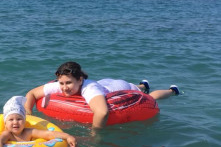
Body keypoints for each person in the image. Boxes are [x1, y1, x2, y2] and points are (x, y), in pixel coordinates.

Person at [25, 61, 181, 131]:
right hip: (104, 84)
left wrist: (96, 134)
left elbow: (102, 112)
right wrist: (29, 115)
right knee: (138, 87)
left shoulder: (90, 89)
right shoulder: (61, 85)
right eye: (62, 83)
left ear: (80, 80)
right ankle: (143, 84)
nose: (64, 87)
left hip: (119, 88)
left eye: (69, 83)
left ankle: (171, 90)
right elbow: (31, 93)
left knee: (150, 97)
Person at [0, 96, 78, 147]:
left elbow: (49, 134)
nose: (15, 122)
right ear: (5, 123)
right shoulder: (8, 134)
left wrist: (67, 136)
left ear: (24, 121)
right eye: (11, 120)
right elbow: (0, 139)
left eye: (19, 119)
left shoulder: (29, 132)